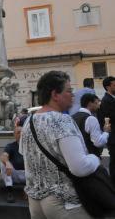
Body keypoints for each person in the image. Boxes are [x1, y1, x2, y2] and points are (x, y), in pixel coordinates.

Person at [20, 71, 99, 219]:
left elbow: (27, 158)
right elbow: (79, 167)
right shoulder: (62, 120)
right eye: (69, 91)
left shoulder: (28, 122)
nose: (73, 95)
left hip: (35, 202)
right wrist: (95, 159)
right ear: (55, 95)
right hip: (64, 202)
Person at [72, 93, 110, 158]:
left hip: (76, 156)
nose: (98, 106)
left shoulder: (72, 117)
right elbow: (98, 142)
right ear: (90, 103)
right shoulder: (91, 119)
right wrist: (106, 132)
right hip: (90, 157)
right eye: (96, 103)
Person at [1, 122, 26, 203]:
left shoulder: (31, 145)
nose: (21, 134)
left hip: (29, 176)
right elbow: (3, 156)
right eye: (18, 132)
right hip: (15, 174)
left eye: (22, 132)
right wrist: (7, 163)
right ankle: (9, 191)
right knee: (3, 164)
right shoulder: (11, 146)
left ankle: (30, 190)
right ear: (14, 135)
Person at [98, 75, 115, 186]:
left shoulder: (111, 99)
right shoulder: (107, 100)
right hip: (113, 136)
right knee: (114, 161)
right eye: (114, 84)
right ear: (108, 87)